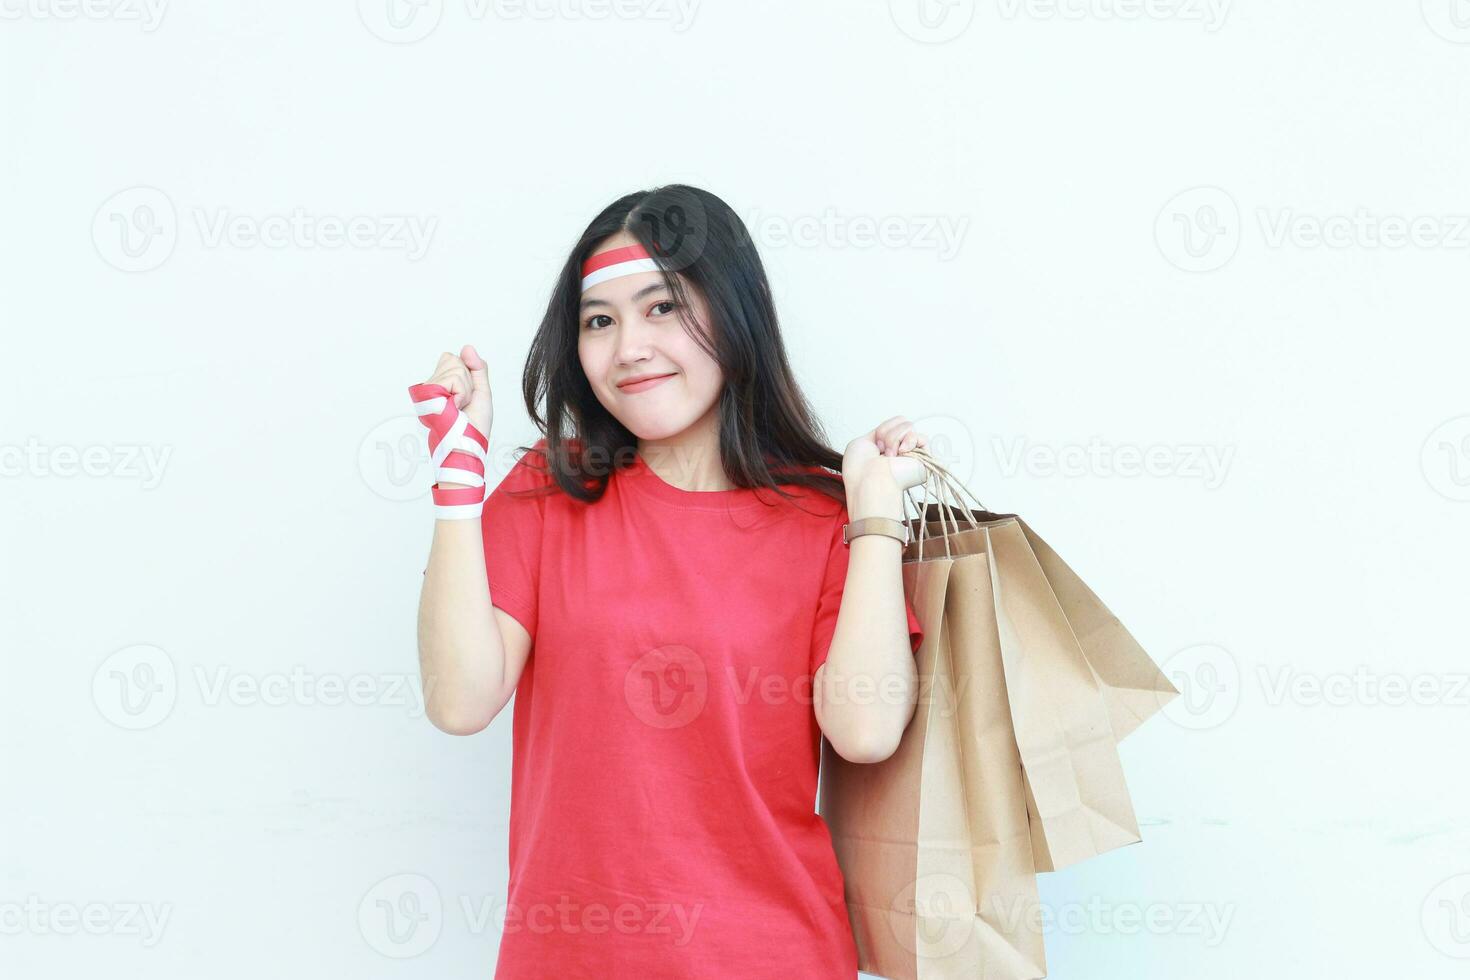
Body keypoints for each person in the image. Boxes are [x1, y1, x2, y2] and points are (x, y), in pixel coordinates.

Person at [411, 184, 928, 979]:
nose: (629, 349)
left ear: (734, 313)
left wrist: (875, 517)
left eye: (661, 308)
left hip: (772, 956)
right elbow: (459, 701)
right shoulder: (549, 490)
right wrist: (457, 487)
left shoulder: (826, 519)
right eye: (600, 321)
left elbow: (863, 732)